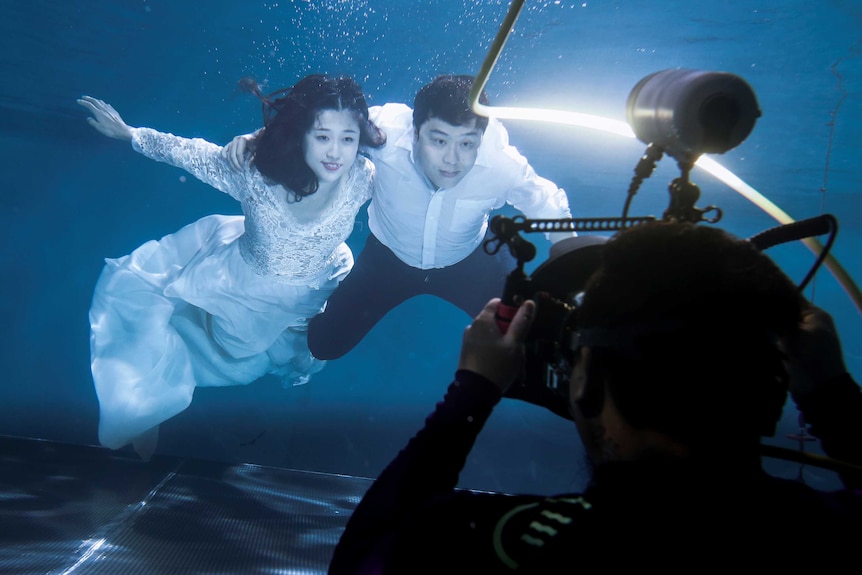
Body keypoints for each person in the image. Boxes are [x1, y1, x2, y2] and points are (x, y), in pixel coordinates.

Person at [328, 221, 862, 573]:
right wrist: (833, 394)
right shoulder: (832, 536)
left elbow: (365, 554)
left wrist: (473, 389)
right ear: (774, 387)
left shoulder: (503, 544)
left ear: (585, 385)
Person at [77, 74, 386, 460]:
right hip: (251, 283)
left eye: (348, 138)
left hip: (321, 281)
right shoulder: (255, 175)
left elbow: (408, 155)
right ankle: (149, 398)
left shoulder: (363, 175)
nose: (336, 153)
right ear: (301, 133)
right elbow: (190, 153)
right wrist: (129, 134)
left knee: (300, 351)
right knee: (236, 356)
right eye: (323, 136)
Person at [227, 74, 574, 360]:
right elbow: (321, 122)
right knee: (323, 346)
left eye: (467, 144)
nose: (452, 159)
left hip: (469, 261)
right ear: (416, 130)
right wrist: (255, 141)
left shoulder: (501, 164)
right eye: (439, 140)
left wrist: (575, 269)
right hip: (388, 259)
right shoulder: (385, 134)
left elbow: (550, 204)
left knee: (537, 348)